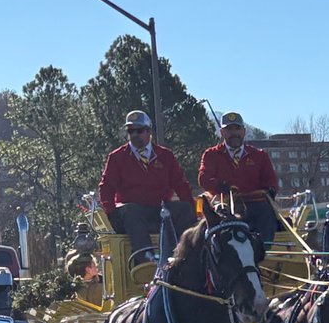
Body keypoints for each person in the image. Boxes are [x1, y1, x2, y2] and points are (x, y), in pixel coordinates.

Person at [98, 111, 194, 262]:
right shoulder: (117, 157)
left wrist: (191, 207)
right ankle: (146, 261)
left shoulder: (165, 156)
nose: (135, 134)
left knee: (184, 209)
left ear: (149, 131)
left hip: (159, 209)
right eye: (130, 131)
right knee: (132, 210)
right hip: (131, 214)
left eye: (139, 130)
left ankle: (185, 258)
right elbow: (106, 187)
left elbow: (180, 184)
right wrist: (111, 212)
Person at [197, 111, 281, 244]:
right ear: (222, 132)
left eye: (237, 128)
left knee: (266, 211)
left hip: (254, 204)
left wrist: (270, 191)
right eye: (229, 129)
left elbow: (271, 181)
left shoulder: (259, 155)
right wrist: (220, 185)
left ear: (244, 131)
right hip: (224, 203)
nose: (234, 133)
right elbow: (203, 178)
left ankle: (264, 250)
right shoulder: (211, 155)